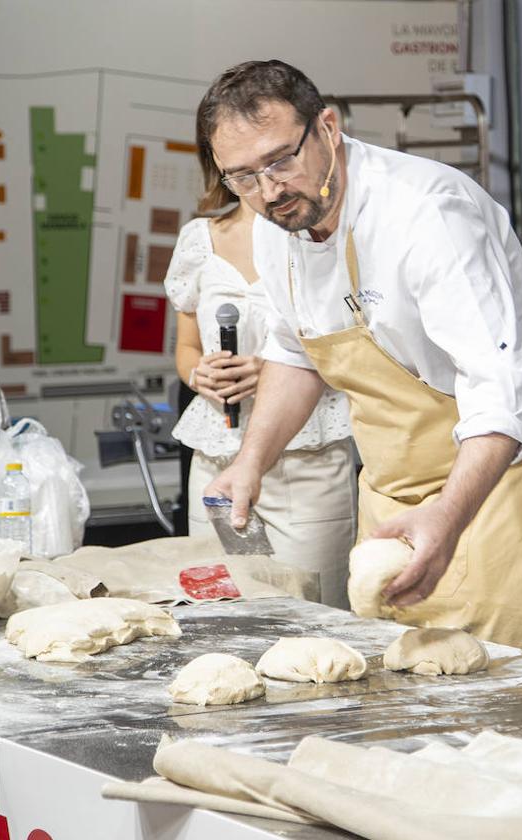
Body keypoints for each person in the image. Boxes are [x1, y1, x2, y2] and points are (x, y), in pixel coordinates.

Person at [197, 60, 522, 657]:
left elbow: (500, 392)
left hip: (507, 487)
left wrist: (447, 516)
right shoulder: (274, 224)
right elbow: (294, 349)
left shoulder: (426, 214)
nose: (270, 190)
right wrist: (252, 461)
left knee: (506, 710)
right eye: (244, 177)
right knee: (402, 711)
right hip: (393, 495)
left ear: (327, 128)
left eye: (282, 159)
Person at [165, 152, 355, 608]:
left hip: (305, 461)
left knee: (316, 614)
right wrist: (199, 372)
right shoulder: (198, 240)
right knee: (218, 614)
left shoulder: (321, 236)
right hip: (216, 455)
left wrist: (275, 368)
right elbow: (185, 348)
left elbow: (353, 349)